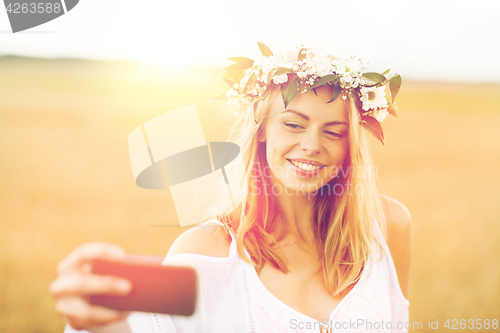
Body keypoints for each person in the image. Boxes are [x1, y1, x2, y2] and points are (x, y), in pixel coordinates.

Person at [50, 44, 411, 332]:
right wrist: (101, 323)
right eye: (294, 125)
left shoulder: (389, 225)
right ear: (263, 131)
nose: (313, 145)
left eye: (334, 132)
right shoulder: (209, 250)